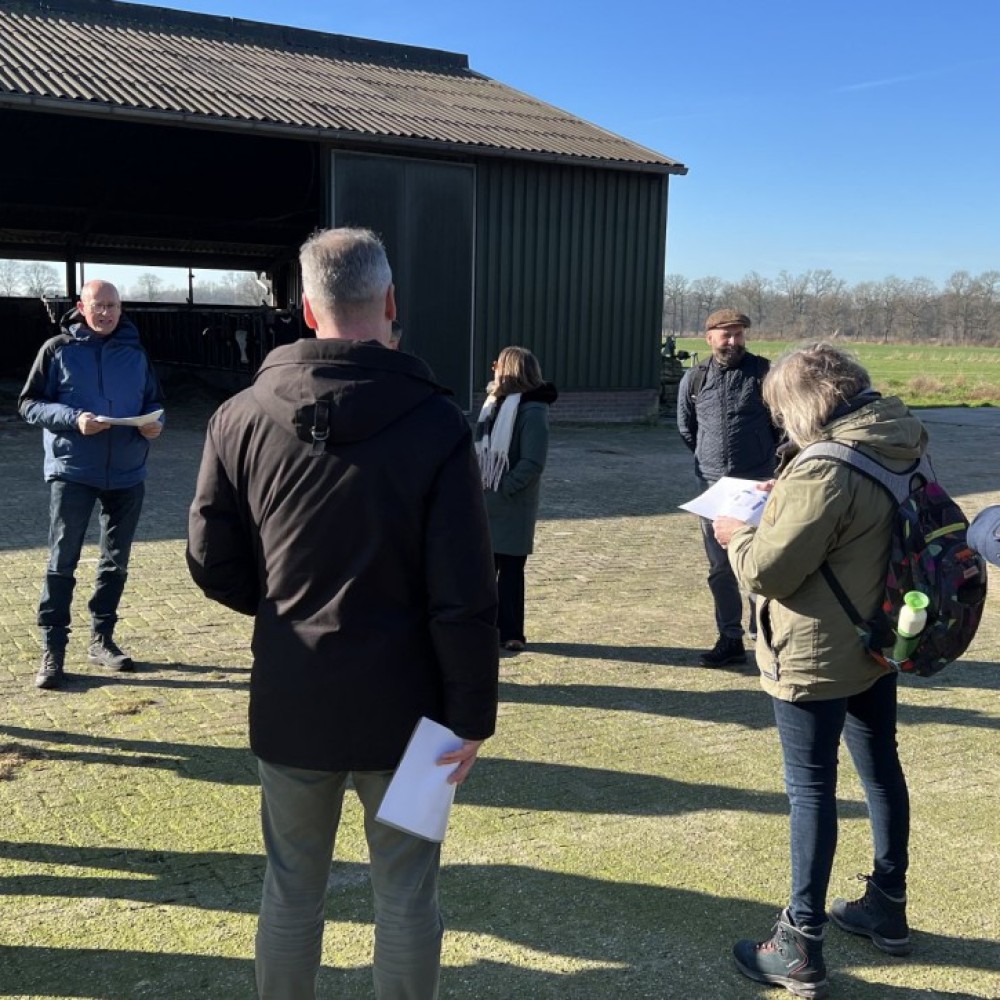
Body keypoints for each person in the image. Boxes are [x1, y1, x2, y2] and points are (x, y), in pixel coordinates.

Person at [186, 227, 499, 1000]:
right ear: (391, 303)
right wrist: (472, 716)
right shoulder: (437, 423)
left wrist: (278, 608)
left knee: (292, 889)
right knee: (406, 895)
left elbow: (208, 556)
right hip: (414, 711)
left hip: (293, 698)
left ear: (304, 308)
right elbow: (465, 592)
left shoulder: (239, 417)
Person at [713, 343, 922, 999]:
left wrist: (734, 534)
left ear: (804, 405)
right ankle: (888, 902)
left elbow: (768, 570)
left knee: (810, 789)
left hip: (815, 650)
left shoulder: (825, 468)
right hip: (878, 634)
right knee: (879, 764)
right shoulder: (894, 436)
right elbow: (852, 517)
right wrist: (790, 496)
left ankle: (799, 944)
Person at [18, 279, 164, 690]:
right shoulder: (57, 350)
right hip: (74, 472)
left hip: (128, 473)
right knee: (62, 561)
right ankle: (54, 649)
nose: (106, 313)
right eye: (98, 305)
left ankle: (102, 640)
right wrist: (74, 419)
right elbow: (29, 404)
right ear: (81, 307)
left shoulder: (135, 353)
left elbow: (154, 401)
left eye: (113, 306)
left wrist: (157, 423)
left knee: (115, 561)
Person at [677, 308, 780, 667]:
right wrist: (710, 464)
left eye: (738, 335)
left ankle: (767, 636)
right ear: (709, 338)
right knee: (720, 567)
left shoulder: (764, 374)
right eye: (726, 335)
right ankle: (730, 638)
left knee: (759, 562)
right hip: (712, 486)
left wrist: (771, 469)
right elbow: (687, 428)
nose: (733, 341)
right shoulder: (695, 378)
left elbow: (782, 427)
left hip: (757, 485)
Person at [475, 346, 557, 652]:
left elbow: (532, 462)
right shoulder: (493, 405)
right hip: (487, 499)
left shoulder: (532, 411)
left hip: (511, 505)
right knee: (484, 569)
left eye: (496, 364)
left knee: (510, 571)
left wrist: (504, 486)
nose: (492, 369)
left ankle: (512, 632)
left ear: (509, 370)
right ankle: (486, 627)